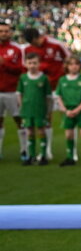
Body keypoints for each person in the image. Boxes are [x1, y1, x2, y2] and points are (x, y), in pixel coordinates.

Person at [24, 26, 71, 161]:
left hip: (61, 88)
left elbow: (70, 60)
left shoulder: (56, 45)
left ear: (37, 37)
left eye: (34, 42)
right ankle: (47, 151)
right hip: (42, 91)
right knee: (46, 120)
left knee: (68, 117)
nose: (33, 46)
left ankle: (71, 152)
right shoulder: (28, 49)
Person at [53, 55, 81, 166]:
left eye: (76, 64)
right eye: (71, 64)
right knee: (68, 135)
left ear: (80, 66)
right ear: (67, 66)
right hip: (68, 110)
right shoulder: (62, 80)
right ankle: (70, 157)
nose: (74, 66)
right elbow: (58, 96)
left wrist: (78, 109)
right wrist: (64, 110)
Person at [0, 20, 28, 161]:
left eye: (6, 31)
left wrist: (5, 64)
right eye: (1, 31)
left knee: (19, 120)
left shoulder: (17, 49)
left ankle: (24, 150)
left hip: (12, 90)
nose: (4, 34)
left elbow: (22, 69)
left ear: (10, 32)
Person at [16, 51, 50, 165]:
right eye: (30, 63)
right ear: (25, 64)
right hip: (27, 110)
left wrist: (47, 110)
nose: (32, 65)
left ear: (39, 64)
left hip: (40, 109)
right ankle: (31, 156)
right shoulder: (23, 78)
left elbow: (48, 96)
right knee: (29, 132)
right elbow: (19, 93)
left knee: (41, 130)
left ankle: (43, 156)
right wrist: (21, 107)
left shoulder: (44, 78)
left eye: (35, 63)